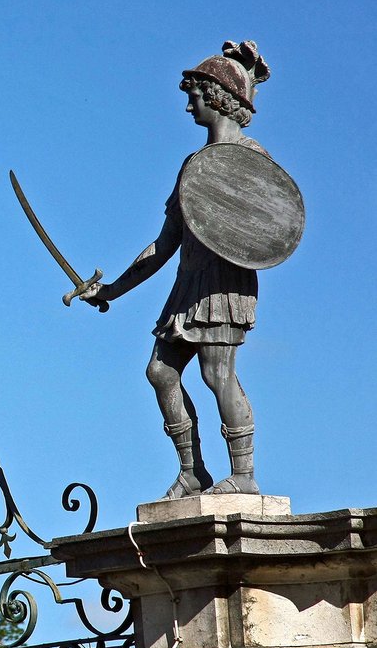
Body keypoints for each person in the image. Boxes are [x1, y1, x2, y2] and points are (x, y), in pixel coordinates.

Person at [82, 41, 271, 498]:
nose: (189, 106)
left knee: (216, 373)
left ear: (219, 97)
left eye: (196, 96)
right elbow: (165, 242)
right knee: (161, 372)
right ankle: (193, 471)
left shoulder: (250, 158)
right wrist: (111, 291)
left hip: (222, 284)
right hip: (188, 283)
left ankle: (244, 476)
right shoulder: (192, 165)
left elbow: (269, 224)